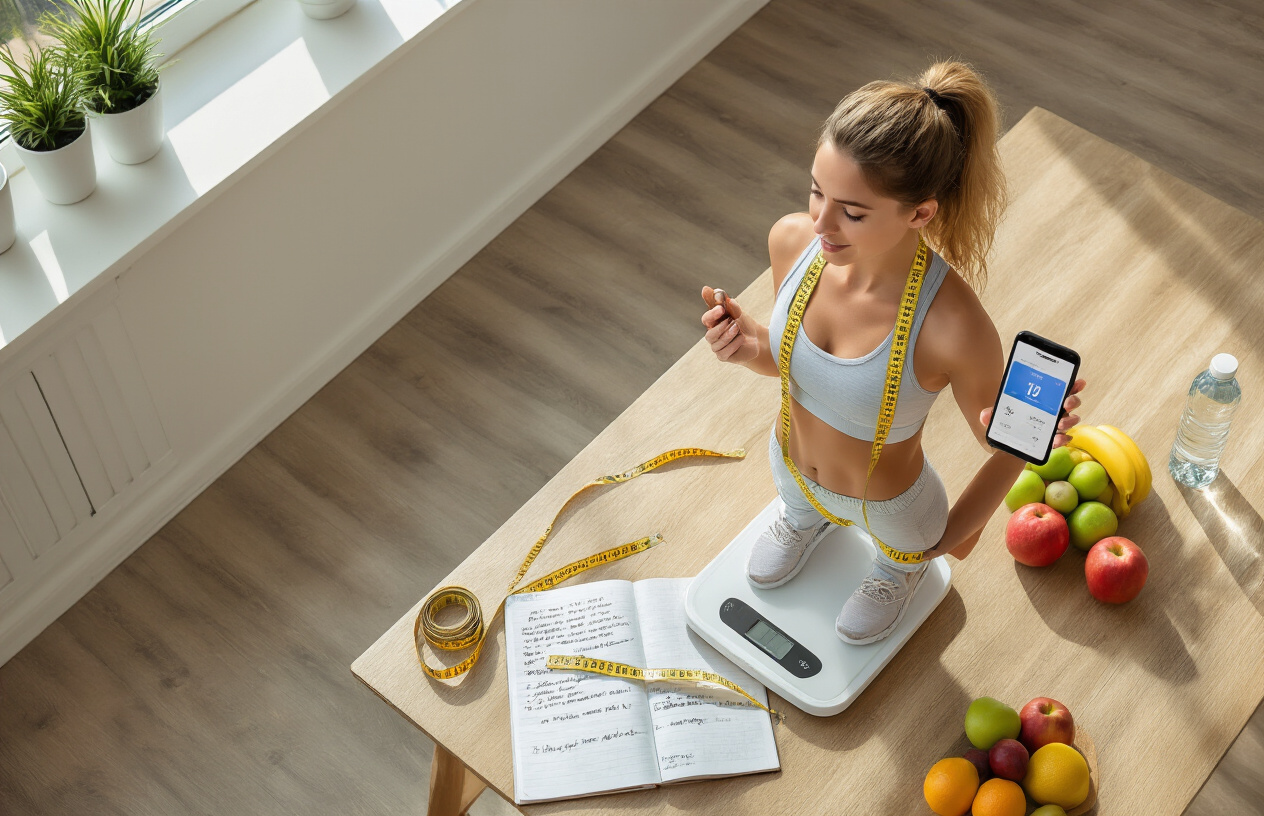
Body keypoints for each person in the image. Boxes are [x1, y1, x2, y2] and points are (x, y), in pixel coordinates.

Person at [700, 61, 1085, 645]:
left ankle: (896, 572)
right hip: (794, 474)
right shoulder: (792, 242)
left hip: (894, 513)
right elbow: (791, 367)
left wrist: (953, 530)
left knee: (896, 563)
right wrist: (747, 341)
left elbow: (1001, 448)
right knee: (796, 509)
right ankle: (804, 521)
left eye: (852, 212)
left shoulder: (951, 324)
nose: (820, 222)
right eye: (816, 190)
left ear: (920, 213)